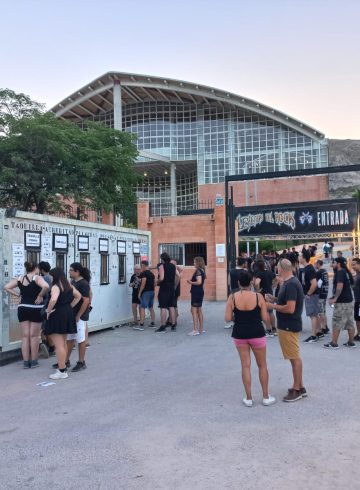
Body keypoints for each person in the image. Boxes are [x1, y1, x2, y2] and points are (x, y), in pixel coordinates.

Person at [225, 271, 275, 407]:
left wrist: (239, 318)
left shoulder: (232, 297)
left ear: (239, 283)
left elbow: (228, 318)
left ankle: (248, 398)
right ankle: (265, 396)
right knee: (262, 365)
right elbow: (265, 318)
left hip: (240, 334)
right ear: (251, 282)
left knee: (245, 365)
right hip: (257, 333)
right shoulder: (259, 297)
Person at [265, 259, 306, 402]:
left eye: (277, 268)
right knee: (293, 356)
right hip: (286, 325)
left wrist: (271, 306)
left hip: (289, 324)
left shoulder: (291, 285)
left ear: (282, 269)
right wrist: (275, 299)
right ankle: (300, 386)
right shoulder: (289, 283)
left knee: (294, 357)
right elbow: (286, 302)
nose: (276, 270)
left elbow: (290, 308)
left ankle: (297, 389)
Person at [4, 261, 49, 369]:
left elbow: (7, 287)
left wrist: (18, 294)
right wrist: (40, 295)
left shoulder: (20, 278)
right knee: (34, 336)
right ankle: (33, 361)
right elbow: (46, 286)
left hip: (22, 308)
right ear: (36, 268)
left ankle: (25, 362)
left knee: (25, 336)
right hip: (35, 309)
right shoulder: (37, 278)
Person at [45, 268, 81, 379]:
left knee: (58, 345)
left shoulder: (55, 287)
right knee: (64, 343)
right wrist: (69, 306)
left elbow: (53, 300)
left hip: (57, 315)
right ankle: (63, 366)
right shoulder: (69, 285)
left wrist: (48, 311)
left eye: (51, 276)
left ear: (55, 276)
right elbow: (78, 296)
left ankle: (61, 371)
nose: (50, 278)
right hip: (68, 313)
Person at [324, 258, 355, 349]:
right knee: (349, 322)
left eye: (333, 262)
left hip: (342, 302)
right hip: (348, 301)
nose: (332, 264)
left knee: (337, 321)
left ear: (338, 264)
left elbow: (340, 286)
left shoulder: (340, 272)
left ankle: (334, 343)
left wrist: (335, 298)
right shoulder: (345, 271)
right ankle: (351, 342)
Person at [64, 263, 91, 372]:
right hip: (72, 315)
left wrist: (79, 315)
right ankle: (65, 361)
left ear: (77, 272)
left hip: (80, 316)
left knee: (81, 339)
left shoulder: (83, 283)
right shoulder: (73, 282)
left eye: (71, 270)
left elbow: (86, 301)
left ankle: (81, 362)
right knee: (70, 338)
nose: (69, 272)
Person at [299, 250, 321, 343]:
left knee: (313, 315)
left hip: (311, 295)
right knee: (314, 314)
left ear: (303, 258)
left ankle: (313, 336)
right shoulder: (306, 268)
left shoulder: (309, 269)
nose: (298, 257)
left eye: (300, 256)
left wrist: (308, 294)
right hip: (311, 295)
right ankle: (319, 332)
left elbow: (314, 284)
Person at [156, 253, 179, 333]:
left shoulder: (161, 266)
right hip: (171, 289)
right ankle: (173, 325)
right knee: (171, 307)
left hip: (164, 289)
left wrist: (156, 282)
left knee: (163, 307)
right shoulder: (173, 266)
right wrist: (175, 285)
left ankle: (163, 326)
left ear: (162, 259)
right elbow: (178, 275)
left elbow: (161, 278)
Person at [254, 260, 276, 336]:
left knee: (265, 312)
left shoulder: (259, 273)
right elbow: (277, 279)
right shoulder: (270, 272)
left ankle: (268, 330)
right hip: (270, 293)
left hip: (263, 294)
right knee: (271, 312)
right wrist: (273, 286)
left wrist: (258, 290)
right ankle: (274, 329)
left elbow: (257, 283)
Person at [38, 261, 55, 357]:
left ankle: (48, 346)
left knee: (44, 328)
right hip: (53, 305)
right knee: (48, 327)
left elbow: (42, 292)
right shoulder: (53, 278)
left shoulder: (43, 279)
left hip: (45, 305)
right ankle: (50, 347)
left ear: (41, 269)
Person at [187, 256, 206, 335]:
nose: (193, 263)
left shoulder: (198, 271)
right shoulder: (202, 270)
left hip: (196, 292)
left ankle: (195, 330)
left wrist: (190, 282)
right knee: (199, 310)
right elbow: (202, 283)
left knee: (194, 311)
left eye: (194, 262)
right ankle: (201, 329)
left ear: (198, 263)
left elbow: (199, 282)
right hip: (199, 291)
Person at [138, 260, 156, 328]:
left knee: (142, 307)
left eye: (141, 266)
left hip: (146, 292)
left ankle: (141, 324)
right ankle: (153, 322)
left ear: (143, 265)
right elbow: (155, 283)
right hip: (152, 292)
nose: (141, 267)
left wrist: (140, 293)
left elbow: (143, 283)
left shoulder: (144, 273)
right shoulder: (152, 274)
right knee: (151, 307)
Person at [314, 260, 329, 335]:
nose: (314, 265)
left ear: (318, 264)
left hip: (320, 294)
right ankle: (326, 326)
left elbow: (317, 284)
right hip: (325, 292)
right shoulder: (325, 272)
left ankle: (323, 328)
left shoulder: (318, 273)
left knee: (320, 312)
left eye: (315, 263)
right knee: (323, 311)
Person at [129, 265, 142, 331]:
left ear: (140, 269)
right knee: (134, 306)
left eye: (138, 269)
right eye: (135, 269)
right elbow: (130, 285)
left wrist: (140, 280)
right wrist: (134, 283)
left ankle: (141, 321)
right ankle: (135, 320)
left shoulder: (142, 275)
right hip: (135, 293)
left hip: (141, 293)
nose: (136, 271)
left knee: (140, 307)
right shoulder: (133, 276)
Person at [352, 258, 360, 341]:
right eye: (352, 264)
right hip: (357, 299)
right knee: (357, 319)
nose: (352, 266)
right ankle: (358, 333)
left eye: (354, 264)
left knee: (358, 319)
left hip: (359, 300)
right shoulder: (357, 274)